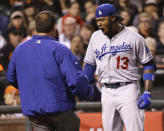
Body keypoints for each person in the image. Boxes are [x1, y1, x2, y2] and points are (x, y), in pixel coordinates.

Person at [6, 10, 94, 131]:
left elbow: (11, 77)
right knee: (73, 121)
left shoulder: (20, 49)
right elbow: (76, 80)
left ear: (36, 28)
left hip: (35, 110)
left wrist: (31, 90)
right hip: (59, 108)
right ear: (54, 28)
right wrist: (88, 93)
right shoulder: (60, 49)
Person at [84, 3, 156, 131]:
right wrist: (83, 83)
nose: (99, 23)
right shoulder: (95, 37)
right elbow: (89, 64)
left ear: (112, 18)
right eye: (97, 21)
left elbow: (148, 63)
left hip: (128, 89)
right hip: (106, 91)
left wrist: (147, 92)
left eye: (102, 20)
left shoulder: (134, 38)